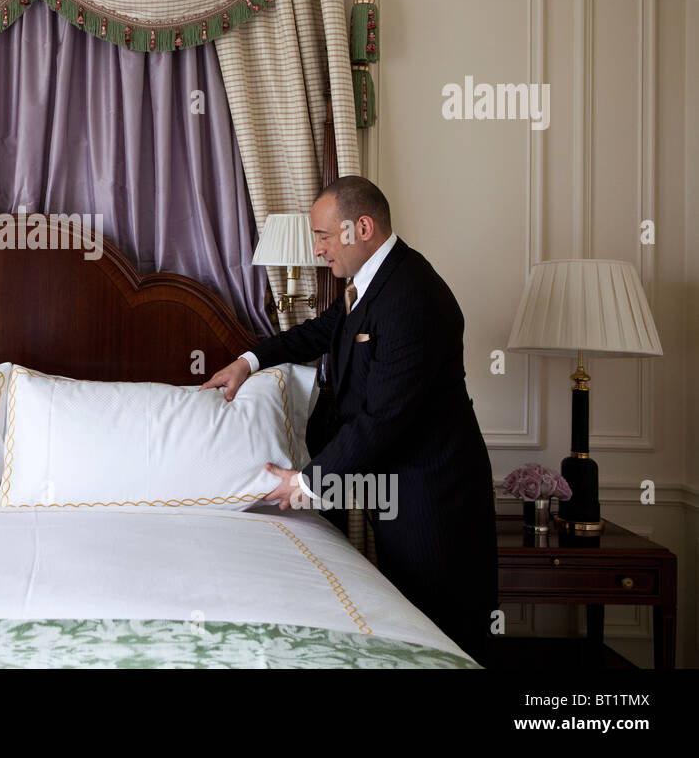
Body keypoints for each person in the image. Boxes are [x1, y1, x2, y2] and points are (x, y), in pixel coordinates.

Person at [201, 176, 498, 665]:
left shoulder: (411, 297)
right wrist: (249, 361)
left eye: (322, 235)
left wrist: (307, 483)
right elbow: (320, 332)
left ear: (361, 227)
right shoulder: (373, 283)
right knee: (412, 635)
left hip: (435, 498)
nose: (317, 250)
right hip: (402, 489)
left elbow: (383, 418)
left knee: (447, 638)